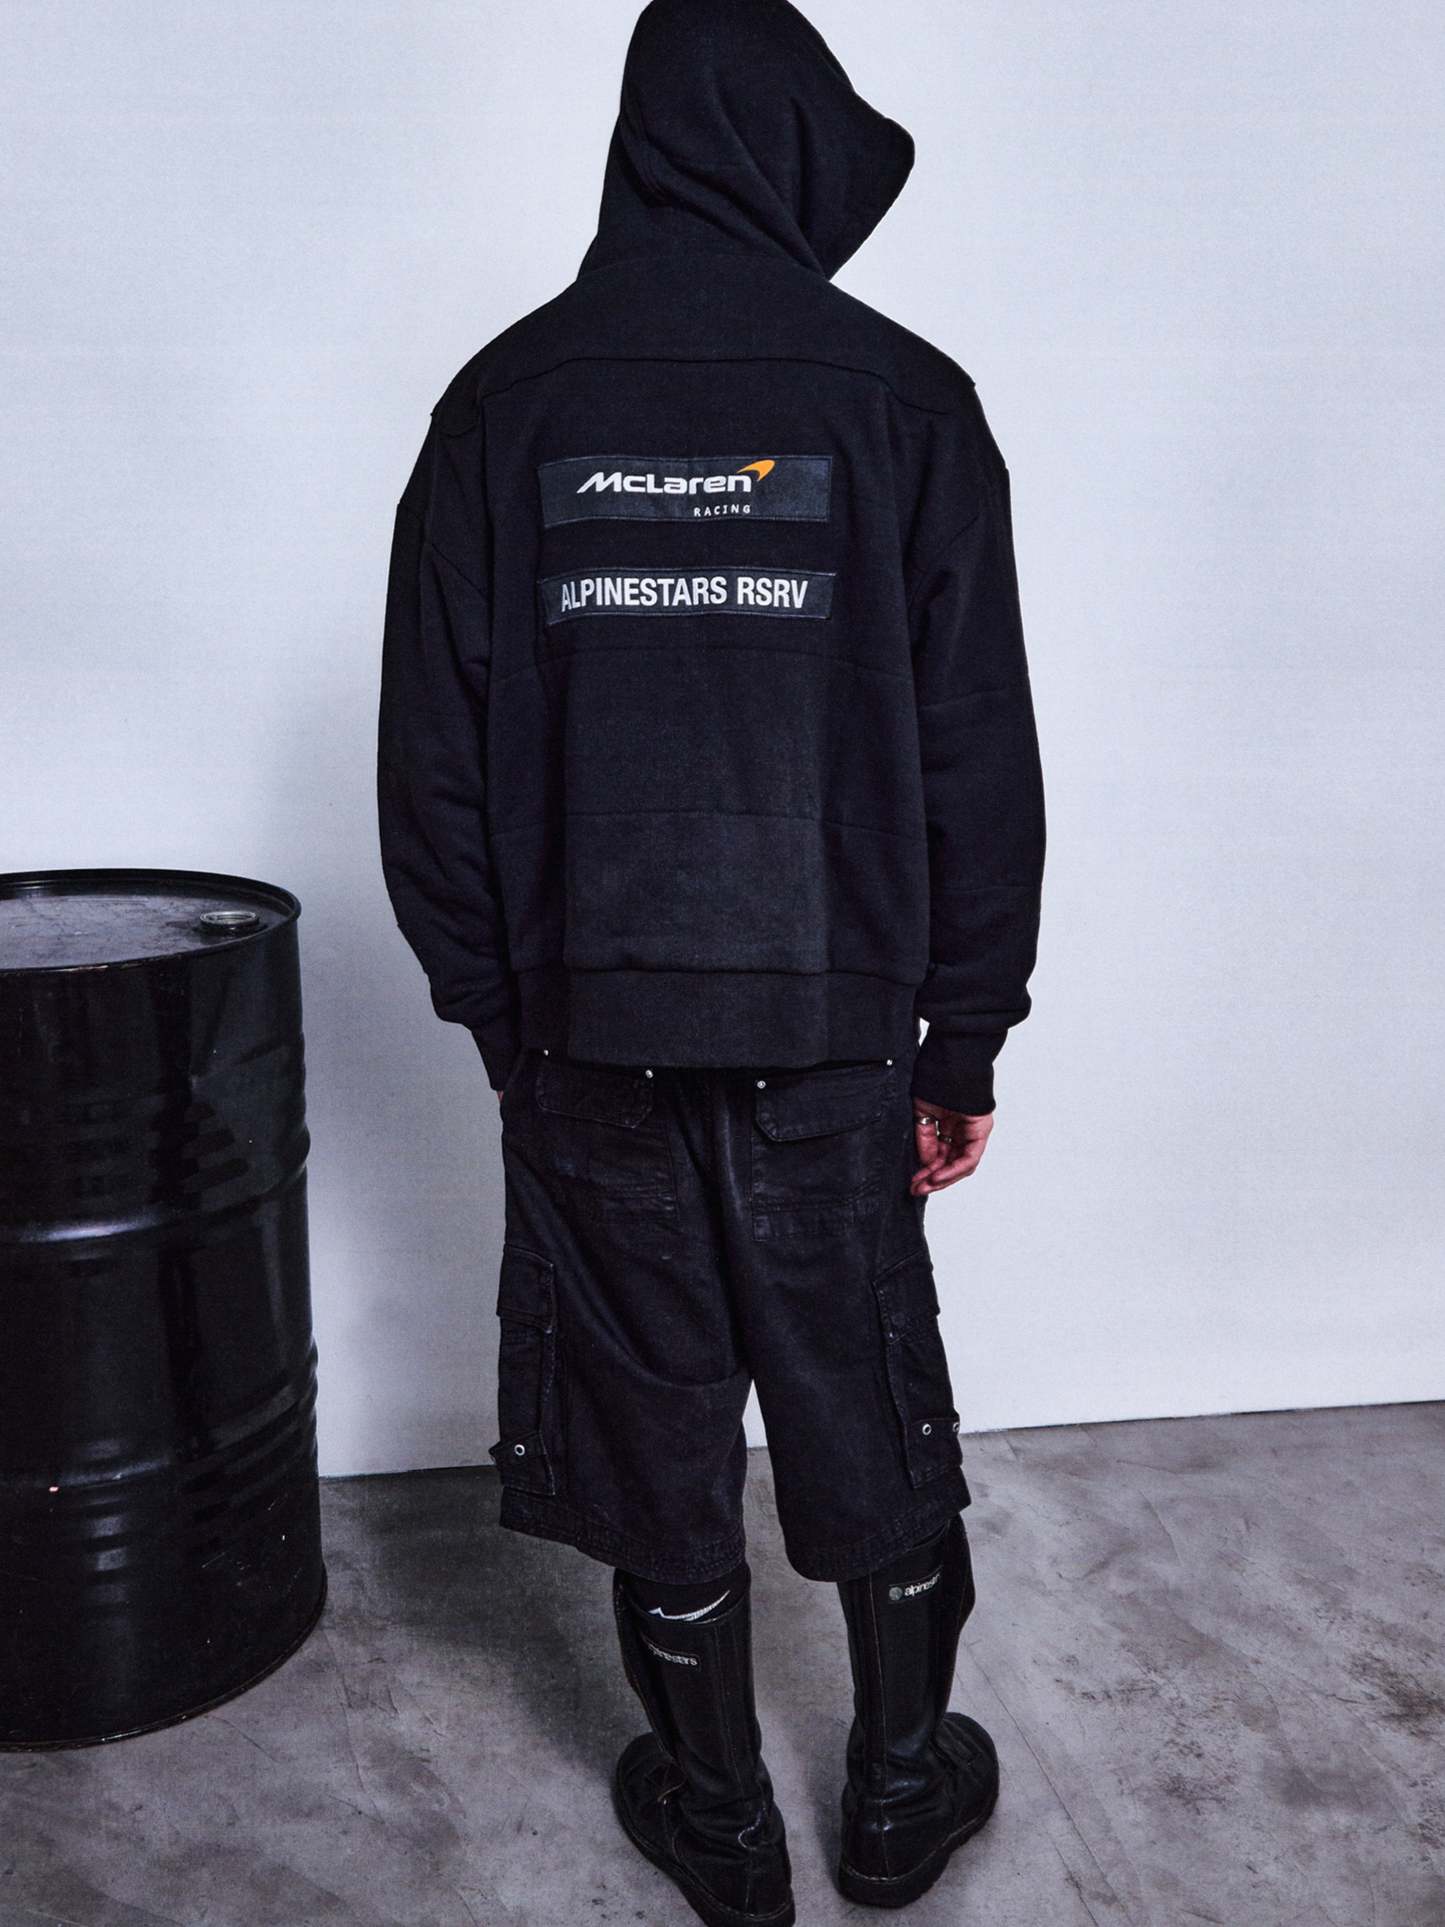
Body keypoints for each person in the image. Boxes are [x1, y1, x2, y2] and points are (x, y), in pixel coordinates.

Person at [376, 1, 1045, 1918]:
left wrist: (501, 1019)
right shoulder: (901, 399)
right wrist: (960, 1038)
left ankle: (722, 1825)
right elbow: (974, 751)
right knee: (863, 1404)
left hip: (589, 1033)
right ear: (794, 149)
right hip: (834, 1034)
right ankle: (899, 1797)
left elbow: (431, 757)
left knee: (649, 1418)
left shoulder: (506, 401)